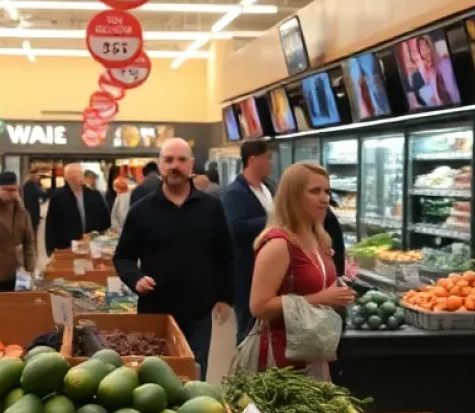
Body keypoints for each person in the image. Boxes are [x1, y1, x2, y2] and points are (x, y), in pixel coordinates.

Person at [114, 138, 233, 380]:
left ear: (191, 165)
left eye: (181, 160)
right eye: (168, 160)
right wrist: (135, 278)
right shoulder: (141, 210)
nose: (174, 166)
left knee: (194, 373)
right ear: (160, 165)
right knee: (153, 378)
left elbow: (225, 254)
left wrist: (225, 297)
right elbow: (123, 257)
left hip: (199, 312)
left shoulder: (211, 208)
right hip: (155, 310)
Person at [249, 163, 355, 376]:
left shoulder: (320, 239)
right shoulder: (278, 244)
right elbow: (259, 306)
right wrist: (321, 297)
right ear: (293, 196)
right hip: (282, 359)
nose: (324, 198)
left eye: (327, 191)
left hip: (314, 353)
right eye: (315, 191)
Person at [223, 140, 275, 343]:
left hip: (268, 268)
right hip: (246, 272)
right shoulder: (235, 193)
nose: (271, 163)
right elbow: (236, 229)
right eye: (267, 158)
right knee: (247, 326)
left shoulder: (268, 188)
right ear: (253, 160)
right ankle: (243, 369)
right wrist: (272, 220)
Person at [45, 162, 111, 255]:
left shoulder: (94, 195)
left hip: (92, 245)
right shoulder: (58, 197)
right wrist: (50, 248)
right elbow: (51, 224)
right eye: (74, 174)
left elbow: (105, 220)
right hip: (67, 246)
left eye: (80, 173)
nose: (78, 176)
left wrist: (100, 238)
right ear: (67, 177)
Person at [22, 171, 46, 235]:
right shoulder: (32, 184)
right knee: (33, 225)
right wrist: (44, 192)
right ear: (33, 177)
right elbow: (40, 193)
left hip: (29, 206)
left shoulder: (27, 184)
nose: (38, 178)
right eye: (37, 176)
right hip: (32, 207)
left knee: (31, 223)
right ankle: (33, 240)